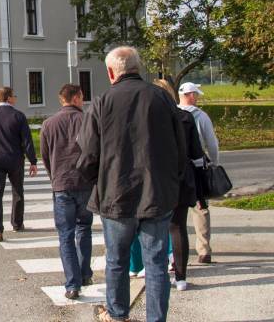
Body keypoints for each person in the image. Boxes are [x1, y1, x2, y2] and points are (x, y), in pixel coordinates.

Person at [77, 47, 185, 322]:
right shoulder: (162, 98)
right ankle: (156, 319)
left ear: (111, 72)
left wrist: (98, 182)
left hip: (116, 195)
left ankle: (117, 314)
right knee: (156, 263)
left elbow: (88, 155)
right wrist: (173, 182)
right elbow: (180, 148)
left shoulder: (102, 102)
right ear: (138, 67)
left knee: (116, 260)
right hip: (157, 194)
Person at [40, 84, 93, 300]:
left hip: (61, 183)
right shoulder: (87, 121)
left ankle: (72, 284)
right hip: (85, 182)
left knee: (65, 235)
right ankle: (85, 273)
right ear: (77, 98)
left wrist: (54, 176)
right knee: (84, 228)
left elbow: (45, 156)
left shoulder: (48, 124)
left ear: (61, 99)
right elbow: (95, 151)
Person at [154, 79, 204, 292]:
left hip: (156, 179)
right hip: (182, 176)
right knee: (178, 226)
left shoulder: (149, 119)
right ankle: (181, 277)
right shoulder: (186, 117)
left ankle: (157, 273)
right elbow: (197, 154)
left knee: (155, 228)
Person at [0, 86, 39, 242]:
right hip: (15, 159)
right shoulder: (18, 116)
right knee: (18, 191)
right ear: (8, 98)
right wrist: (32, 161)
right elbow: (27, 141)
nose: (15, 98)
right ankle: (17, 223)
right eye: (14, 96)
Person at [178, 82, 219, 265]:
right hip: (196, 166)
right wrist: (214, 162)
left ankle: (175, 251)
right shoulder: (201, 116)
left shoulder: (171, 113)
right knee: (200, 207)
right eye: (196, 94)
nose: (197, 98)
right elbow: (211, 142)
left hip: (176, 167)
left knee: (176, 211)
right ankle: (203, 250)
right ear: (191, 95)